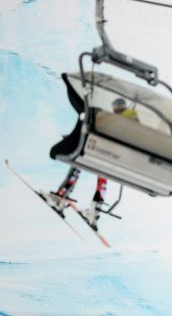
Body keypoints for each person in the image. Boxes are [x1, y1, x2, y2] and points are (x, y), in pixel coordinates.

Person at [49, 97, 140, 228]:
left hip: (99, 153)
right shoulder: (133, 123)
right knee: (103, 176)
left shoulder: (113, 120)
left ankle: (61, 196)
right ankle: (94, 211)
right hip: (114, 161)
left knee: (78, 161)